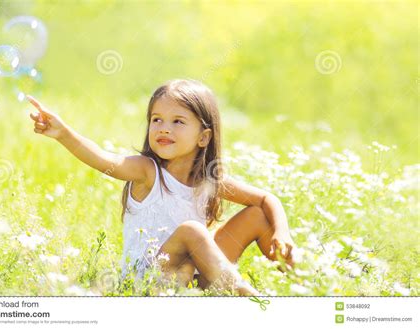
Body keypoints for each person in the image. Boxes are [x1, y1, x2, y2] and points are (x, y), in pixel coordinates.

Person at [28, 79, 295, 296]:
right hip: (149, 281)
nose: (164, 128)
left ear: (204, 137)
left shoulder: (208, 180)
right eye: (157, 120)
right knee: (192, 231)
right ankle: (246, 299)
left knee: (258, 215)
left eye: (177, 121)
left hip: (193, 278)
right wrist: (63, 133)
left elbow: (266, 198)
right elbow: (102, 158)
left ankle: (307, 284)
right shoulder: (147, 171)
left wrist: (283, 232)